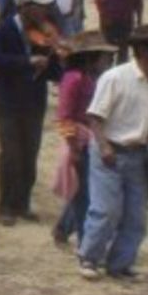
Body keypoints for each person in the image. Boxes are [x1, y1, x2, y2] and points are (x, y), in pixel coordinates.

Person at [77, 25, 148, 281]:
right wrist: (105, 146)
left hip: (139, 154)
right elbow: (95, 116)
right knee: (105, 209)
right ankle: (89, 257)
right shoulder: (115, 78)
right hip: (109, 149)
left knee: (136, 215)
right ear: (145, 50)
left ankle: (120, 264)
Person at [0, 0, 63, 227]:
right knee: (10, 153)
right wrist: (26, 61)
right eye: (39, 6)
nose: (44, 11)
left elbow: (54, 71)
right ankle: (6, 205)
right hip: (8, 100)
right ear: (25, 7)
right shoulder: (3, 29)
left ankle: (23, 201)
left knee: (30, 152)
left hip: (33, 100)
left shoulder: (44, 32)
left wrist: (58, 59)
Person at [52, 33, 116, 250]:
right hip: (79, 140)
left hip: (87, 137)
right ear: (91, 58)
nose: (107, 61)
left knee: (83, 190)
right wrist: (73, 147)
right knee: (85, 194)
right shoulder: (75, 79)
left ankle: (64, 228)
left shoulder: (88, 78)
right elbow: (65, 115)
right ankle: (83, 238)